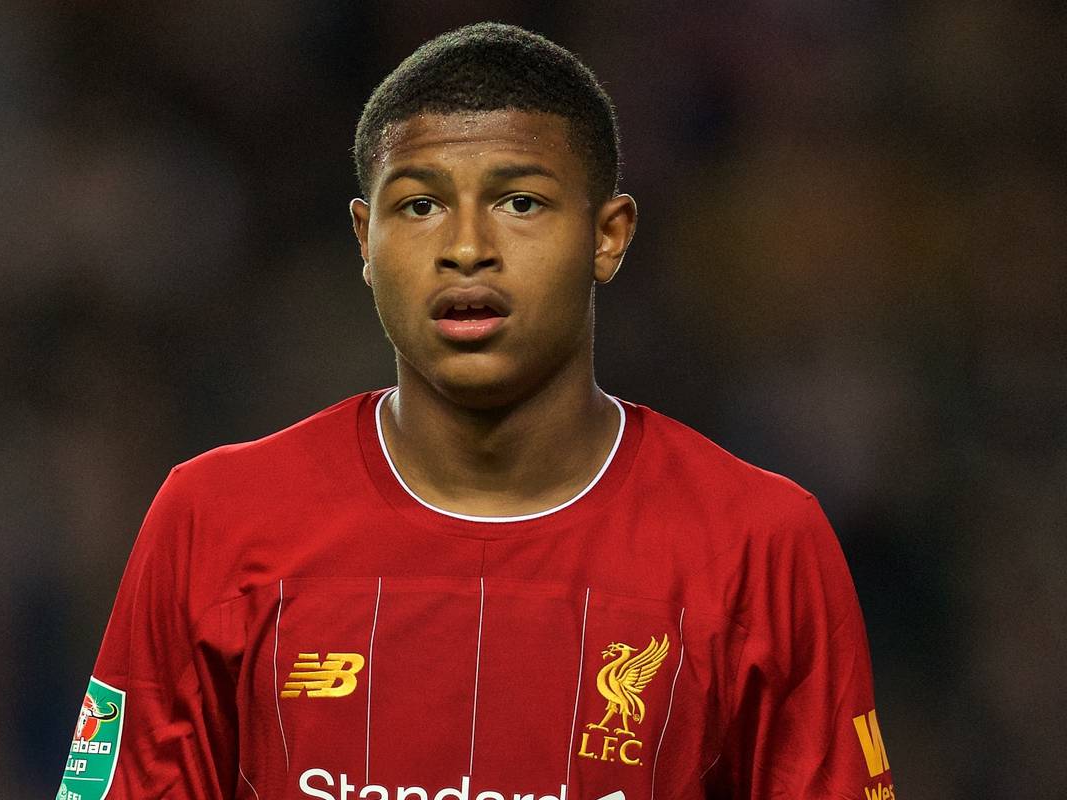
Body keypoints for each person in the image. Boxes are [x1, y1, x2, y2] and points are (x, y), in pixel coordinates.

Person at [57, 22, 895, 800]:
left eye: (520, 202)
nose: (465, 246)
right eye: (419, 205)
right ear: (364, 240)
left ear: (608, 235)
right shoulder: (215, 523)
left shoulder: (759, 545)